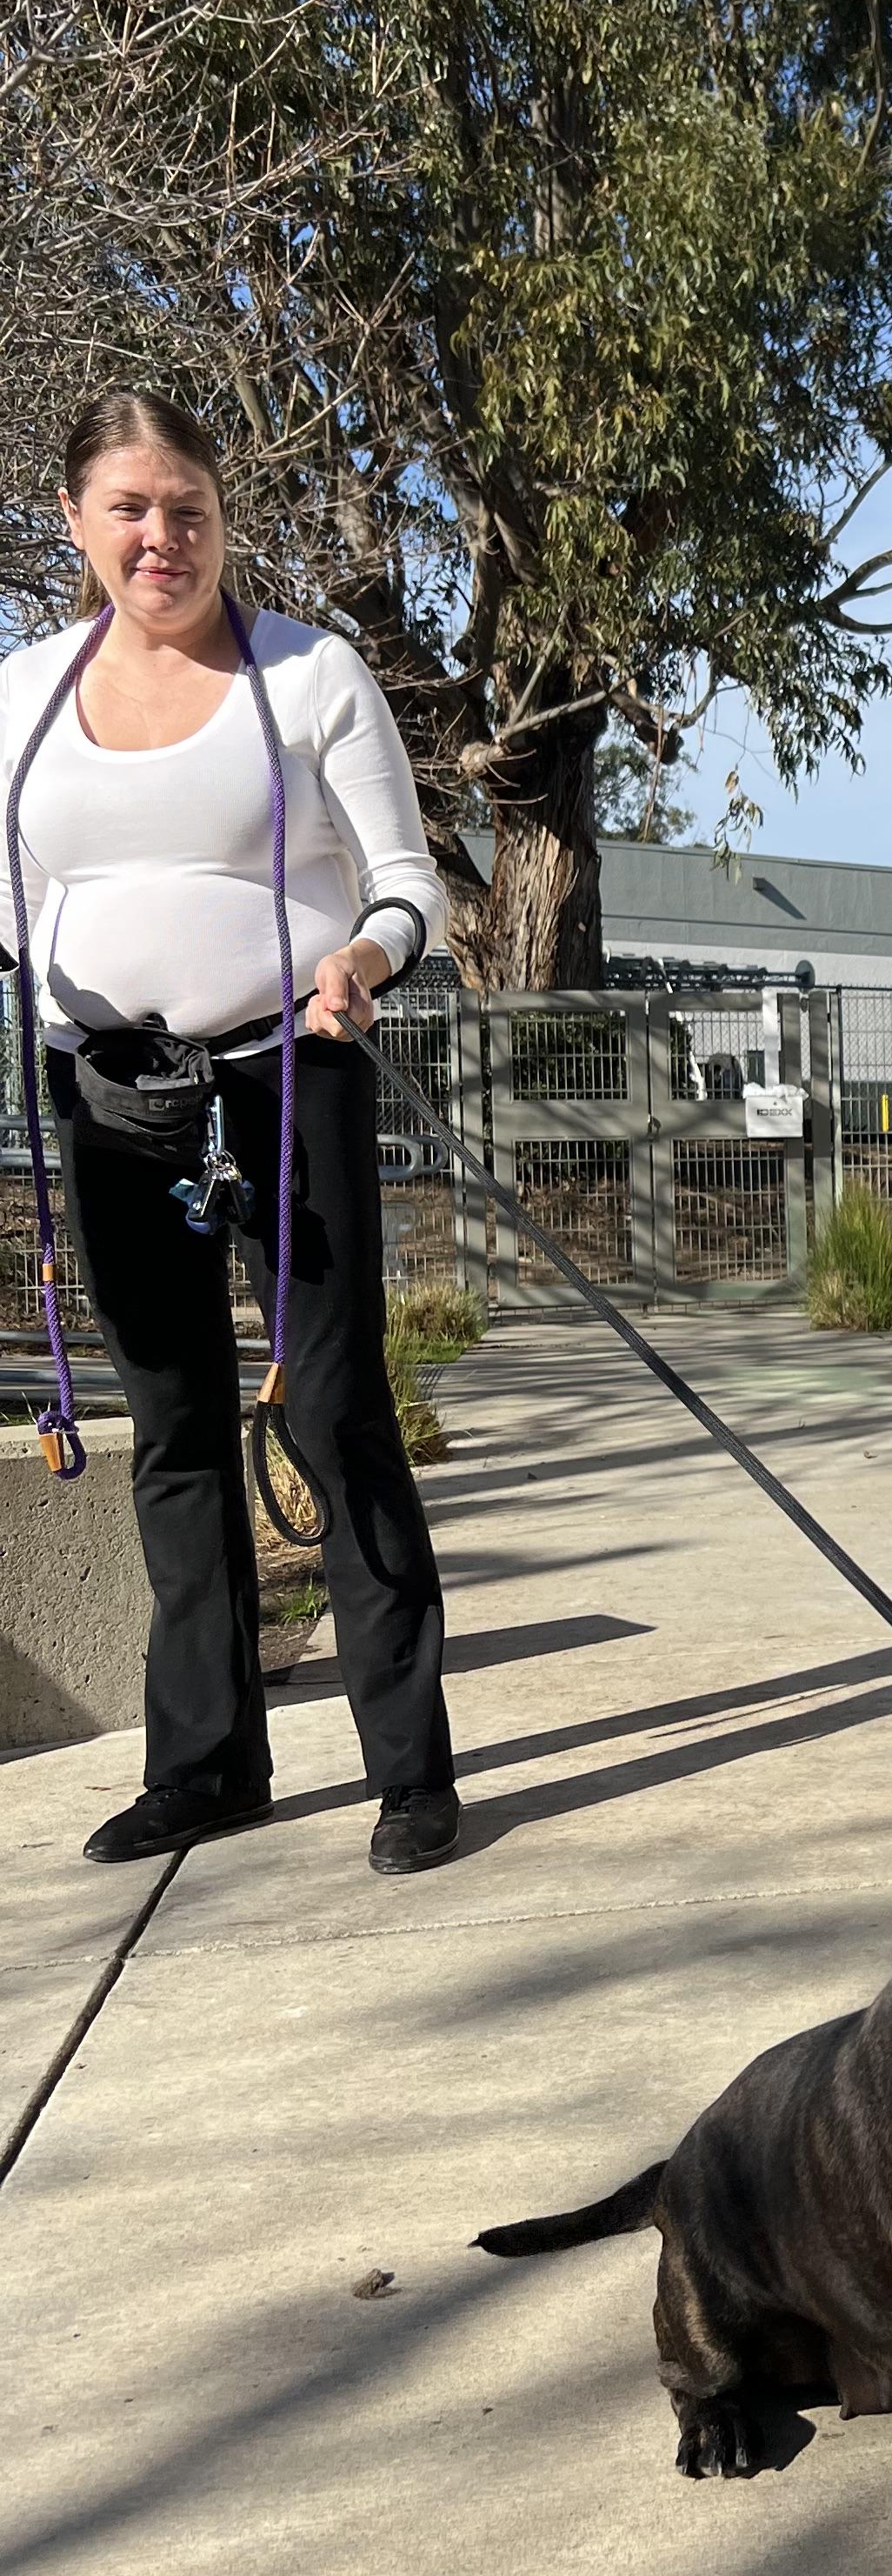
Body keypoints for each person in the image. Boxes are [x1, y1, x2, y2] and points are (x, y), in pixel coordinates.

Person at [3, 390, 460, 1876]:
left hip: (286, 1072)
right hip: (110, 1095)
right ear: (74, 520)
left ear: (221, 517)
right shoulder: (20, 698)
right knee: (176, 1434)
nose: (161, 536)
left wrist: (367, 962)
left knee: (332, 1412)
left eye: (187, 506)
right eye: (129, 508)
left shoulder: (308, 674)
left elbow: (407, 882)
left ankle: (410, 1767)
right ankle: (206, 1767)